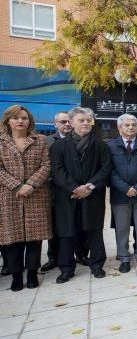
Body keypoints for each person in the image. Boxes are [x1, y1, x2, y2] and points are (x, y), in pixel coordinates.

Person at [50, 107, 112, 282]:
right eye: (81, 120)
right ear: (71, 122)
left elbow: (106, 169)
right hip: (67, 196)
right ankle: (67, 268)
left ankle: (97, 265)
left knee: (94, 231)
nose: (86, 123)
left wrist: (89, 187)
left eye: (88, 120)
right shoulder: (58, 146)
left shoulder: (100, 145)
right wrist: (75, 188)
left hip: (92, 195)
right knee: (67, 232)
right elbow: (57, 171)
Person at [0, 105, 52, 290]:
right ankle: (15, 276)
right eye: (16, 118)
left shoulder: (40, 140)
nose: (20, 121)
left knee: (34, 238)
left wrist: (31, 184)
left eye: (24, 118)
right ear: (8, 121)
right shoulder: (1, 142)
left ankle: (31, 273)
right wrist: (17, 185)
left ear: (30, 121)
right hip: (9, 195)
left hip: (35, 194)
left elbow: (46, 165)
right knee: (12, 238)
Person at [107, 114, 137, 273]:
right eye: (127, 125)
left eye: (134, 125)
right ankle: (124, 257)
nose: (131, 127)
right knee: (122, 228)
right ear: (119, 128)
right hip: (120, 195)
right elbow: (109, 171)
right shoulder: (110, 146)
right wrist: (125, 188)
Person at [41, 111, 73, 273]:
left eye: (69, 121)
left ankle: (79, 254)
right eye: (63, 122)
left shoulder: (78, 140)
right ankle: (53, 257)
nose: (66, 124)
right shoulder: (47, 141)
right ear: (55, 124)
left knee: (77, 224)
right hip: (54, 191)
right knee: (54, 226)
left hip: (75, 190)